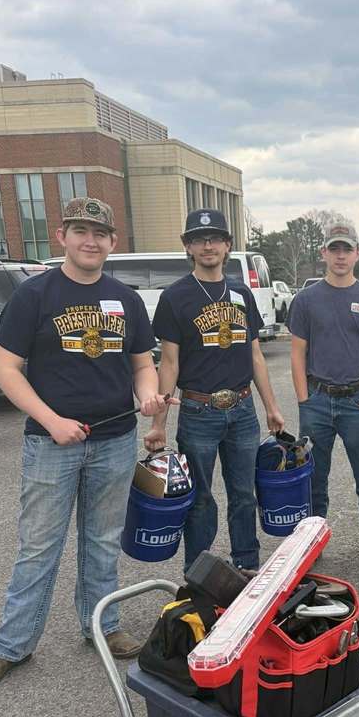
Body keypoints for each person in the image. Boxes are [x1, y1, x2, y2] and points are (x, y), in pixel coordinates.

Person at [0, 197, 169, 690]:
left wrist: (147, 395)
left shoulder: (125, 298)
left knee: (102, 541)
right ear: (62, 235)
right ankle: (10, 647)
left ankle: (100, 625)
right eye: (80, 231)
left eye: (100, 233)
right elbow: (5, 368)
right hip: (50, 443)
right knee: (39, 546)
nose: (91, 240)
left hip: (115, 440)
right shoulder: (35, 295)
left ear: (112, 242)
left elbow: (141, 364)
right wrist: (51, 419)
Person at [145, 208, 284, 573]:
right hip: (198, 412)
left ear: (227, 246)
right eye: (198, 239)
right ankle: (199, 575)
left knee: (243, 495)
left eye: (215, 238)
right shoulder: (176, 297)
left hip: (241, 409)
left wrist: (271, 407)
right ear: (188, 247)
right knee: (201, 500)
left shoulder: (241, 293)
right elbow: (169, 363)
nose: (207, 245)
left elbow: (255, 354)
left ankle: (247, 567)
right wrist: (159, 423)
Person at [288, 220, 359, 570]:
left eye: (346, 249)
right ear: (323, 253)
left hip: (357, 401)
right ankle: (311, 540)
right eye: (334, 248)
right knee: (313, 478)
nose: (340, 255)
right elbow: (296, 353)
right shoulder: (306, 300)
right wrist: (304, 398)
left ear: (357, 254)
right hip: (317, 400)